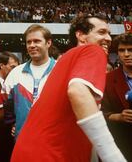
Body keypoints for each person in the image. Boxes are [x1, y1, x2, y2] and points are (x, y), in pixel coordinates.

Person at [11, 15, 126, 162]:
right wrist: (113, 156)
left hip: (29, 152)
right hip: (51, 154)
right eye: (102, 32)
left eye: (109, 33)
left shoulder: (65, 59)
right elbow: (78, 91)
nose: (109, 38)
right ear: (81, 36)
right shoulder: (92, 50)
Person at [4, 24, 56, 139]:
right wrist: (13, 124)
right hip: (23, 141)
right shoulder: (15, 73)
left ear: (48, 43)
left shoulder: (61, 70)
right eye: (29, 42)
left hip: (53, 142)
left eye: (37, 41)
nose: (32, 45)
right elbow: (7, 106)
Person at [102, 32, 132, 161]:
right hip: (129, 148)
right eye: (121, 50)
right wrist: (118, 116)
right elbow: (99, 112)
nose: (126, 54)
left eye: (131, 50)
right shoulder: (107, 80)